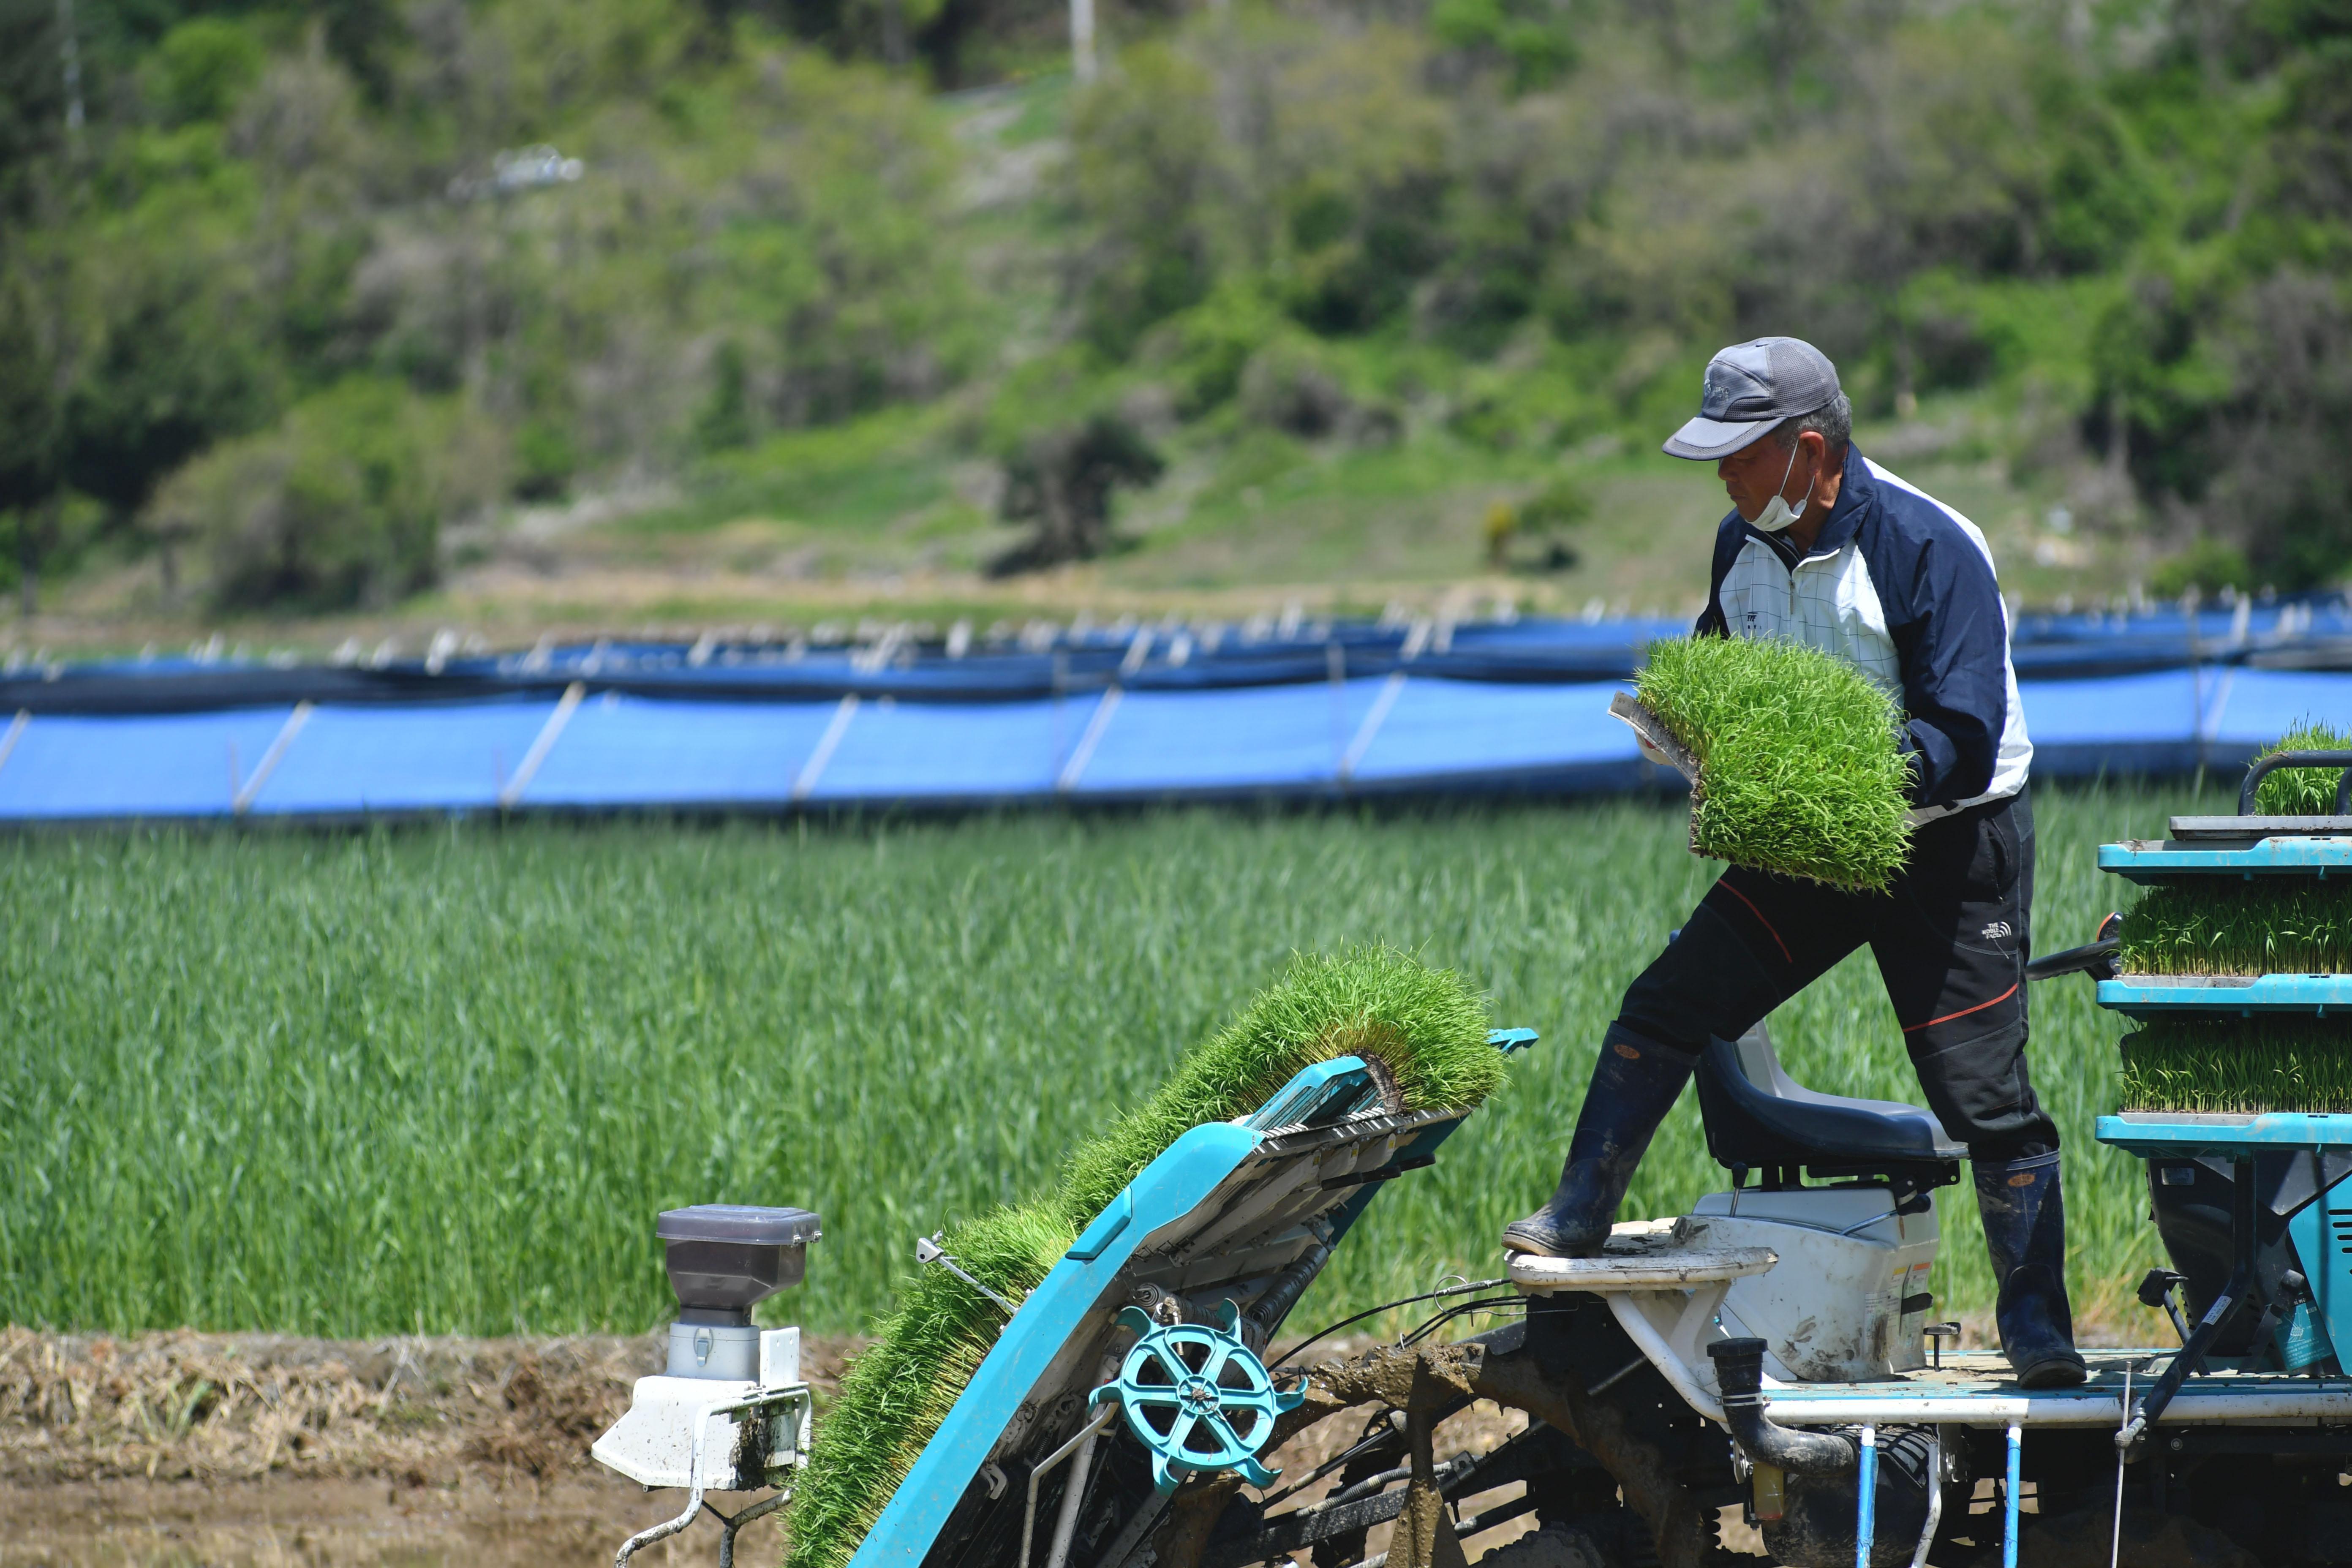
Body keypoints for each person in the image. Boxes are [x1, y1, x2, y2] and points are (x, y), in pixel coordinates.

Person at [1503, 336, 2085, 1390]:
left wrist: (1824, 781)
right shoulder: (1741, 541)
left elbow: (1960, 731)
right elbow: (1719, 667)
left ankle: (2040, 1330)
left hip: (1951, 842)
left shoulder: (1928, 545)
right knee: (1664, 1005)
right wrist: (1681, 731)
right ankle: (1576, 1217)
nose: (1722, 477)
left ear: (1809, 449)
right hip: (1815, 846)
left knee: (1982, 1097)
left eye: (1739, 453)